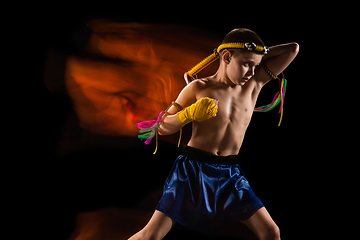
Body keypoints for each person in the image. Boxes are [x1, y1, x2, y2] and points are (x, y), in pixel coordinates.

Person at [130, 28, 299, 240]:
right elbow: (162, 128)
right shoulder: (198, 87)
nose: (252, 72)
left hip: (231, 173)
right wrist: (188, 114)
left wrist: (255, 54)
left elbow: (293, 49)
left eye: (256, 65)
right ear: (226, 57)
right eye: (246, 64)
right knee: (152, 235)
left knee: (271, 232)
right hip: (192, 169)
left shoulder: (254, 85)